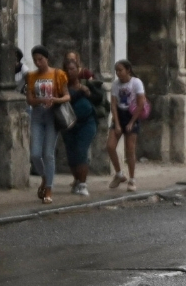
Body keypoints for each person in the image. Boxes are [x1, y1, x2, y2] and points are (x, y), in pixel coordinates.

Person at [23, 46, 69, 203]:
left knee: (48, 154)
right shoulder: (31, 76)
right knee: (35, 154)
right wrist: (40, 100)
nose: (38, 62)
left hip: (52, 116)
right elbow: (29, 99)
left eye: (40, 59)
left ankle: (49, 188)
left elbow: (67, 96)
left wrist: (55, 100)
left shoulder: (58, 74)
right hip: (37, 115)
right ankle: (44, 176)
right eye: (35, 60)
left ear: (47, 58)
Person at [62, 51, 100, 197]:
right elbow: (63, 99)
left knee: (81, 150)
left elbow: (99, 97)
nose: (71, 72)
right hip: (69, 123)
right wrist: (79, 92)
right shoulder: (61, 86)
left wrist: (88, 92)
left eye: (73, 69)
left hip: (87, 122)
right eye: (68, 69)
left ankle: (83, 184)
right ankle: (77, 180)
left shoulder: (86, 82)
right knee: (72, 154)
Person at [107, 60, 145, 190]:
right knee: (110, 146)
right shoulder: (115, 85)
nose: (118, 73)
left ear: (128, 70)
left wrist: (132, 122)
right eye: (116, 71)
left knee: (130, 149)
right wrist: (117, 123)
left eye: (120, 70)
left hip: (131, 115)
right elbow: (113, 104)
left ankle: (132, 179)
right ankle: (119, 174)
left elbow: (141, 104)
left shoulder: (136, 83)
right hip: (119, 115)